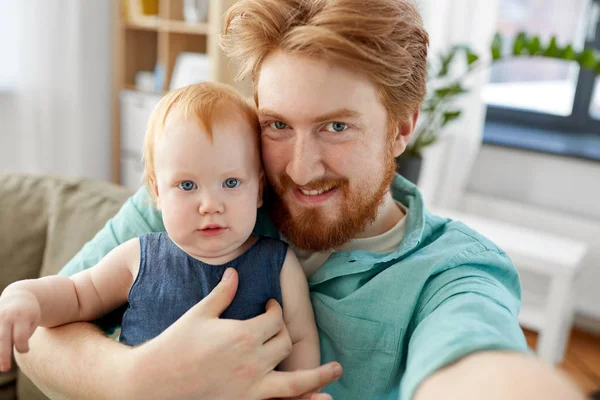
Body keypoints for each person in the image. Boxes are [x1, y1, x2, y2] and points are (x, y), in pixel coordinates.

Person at [15, 0, 584, 399]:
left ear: (402, 127)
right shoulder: (195, 204)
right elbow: (34, 337)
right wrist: (139, 380)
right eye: (278, 124)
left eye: (337, 126)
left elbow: (478, 366)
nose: (299, 168)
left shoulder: (451, 274)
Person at [0, 82, 320, 376]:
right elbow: (76, 295)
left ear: (259, 189)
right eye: (187, 184)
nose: (210, 204)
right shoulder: (138, 257)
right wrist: (28, 295)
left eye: (231, 182)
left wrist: (301, 388)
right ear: (156, 192)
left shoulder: (277, 264)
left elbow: (301, 337)